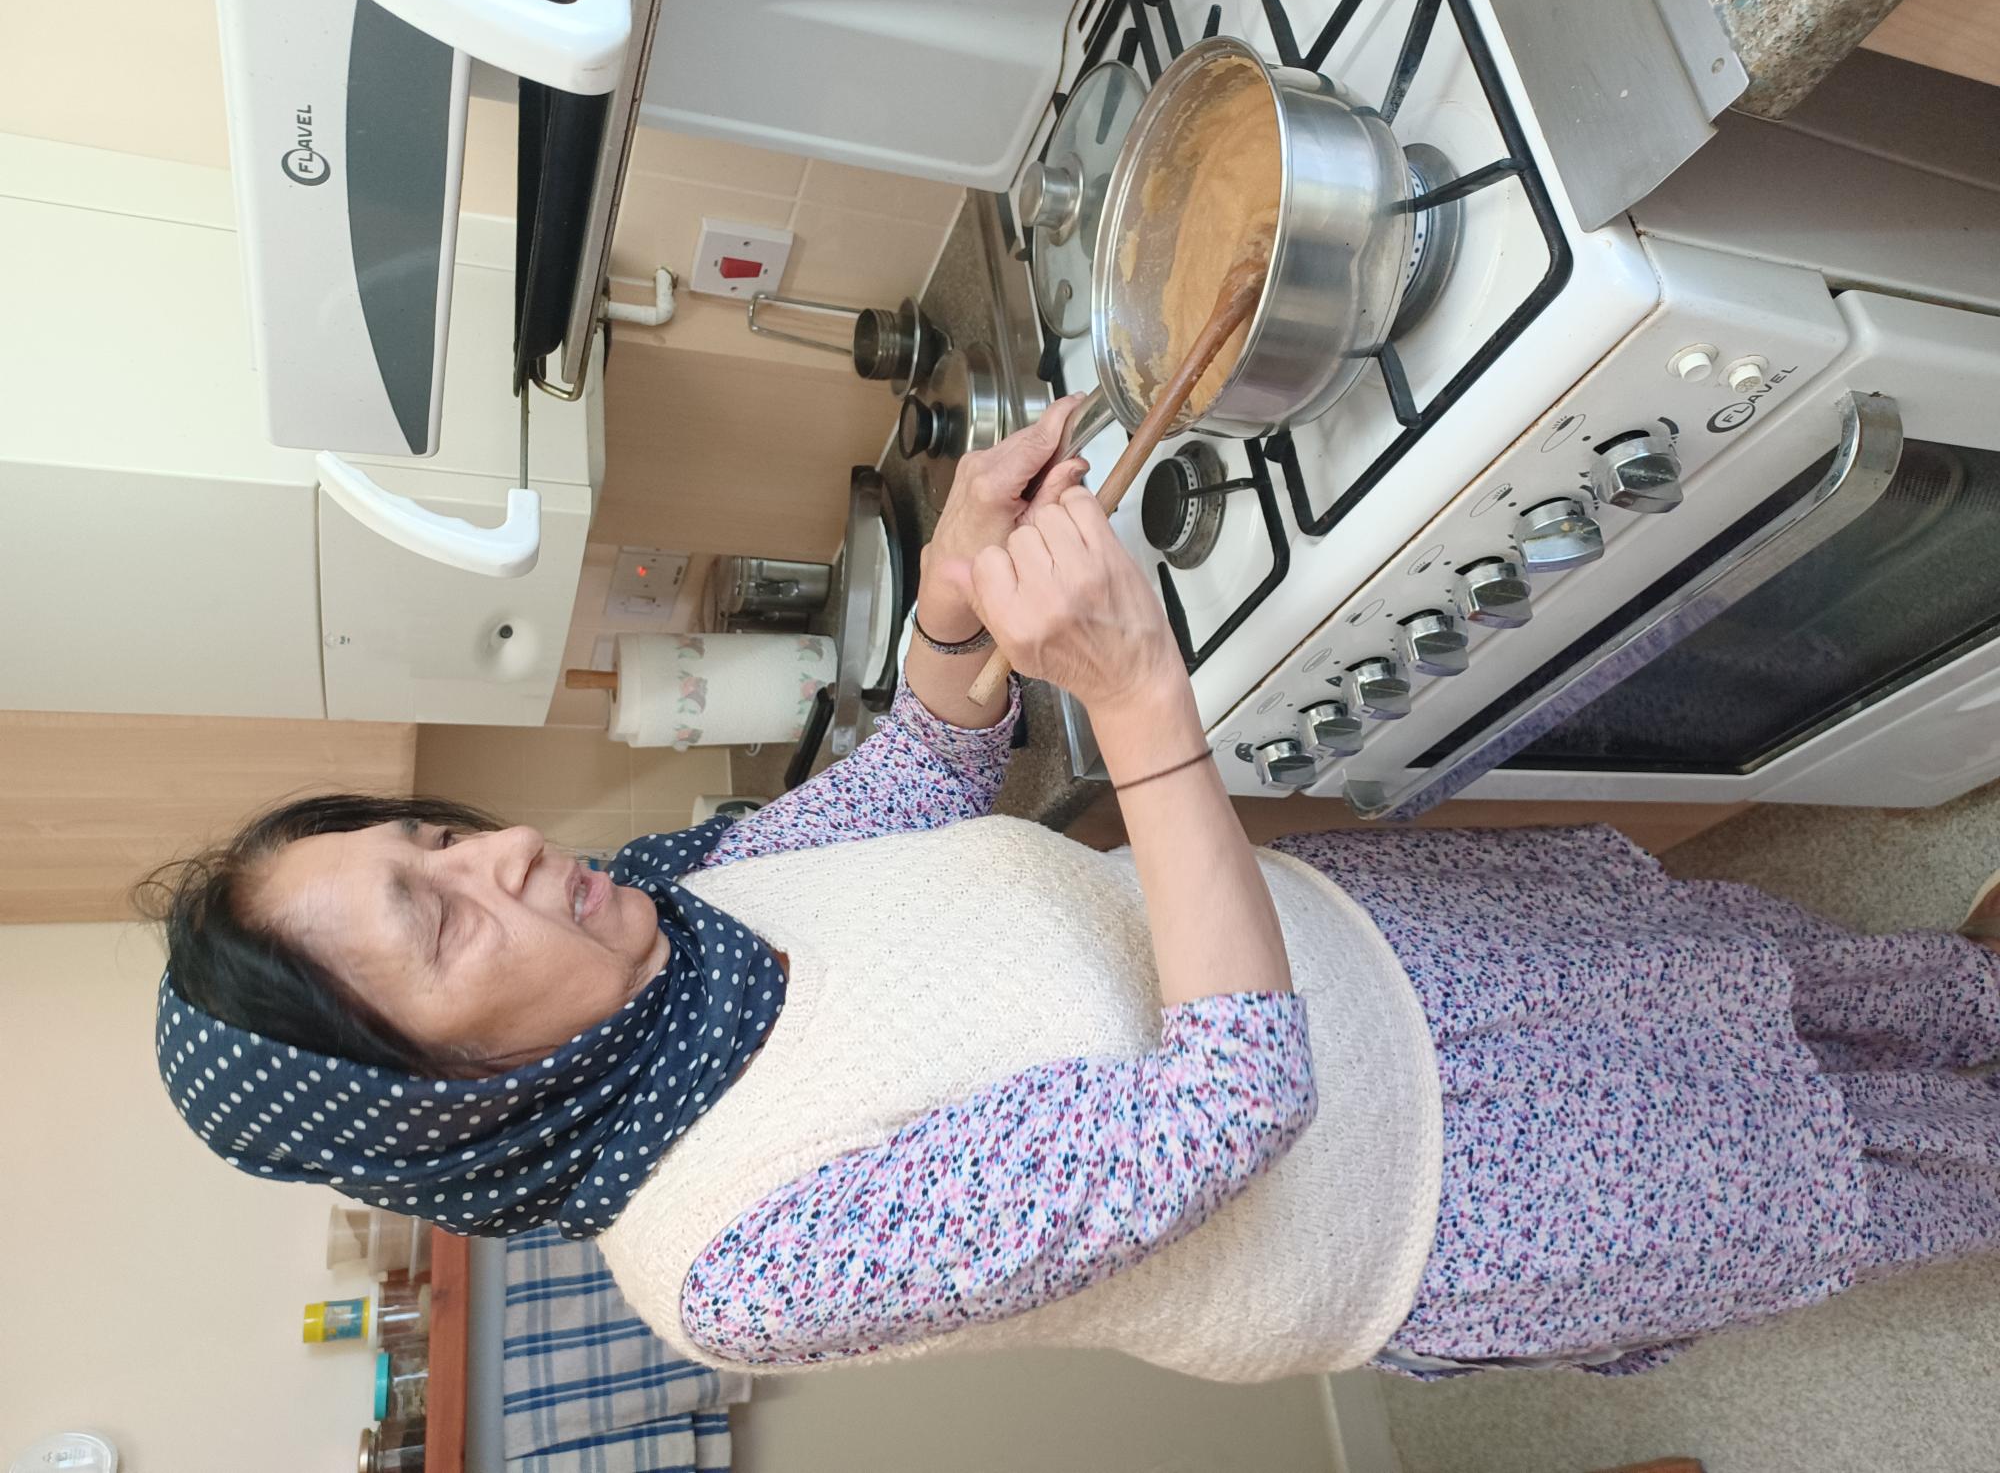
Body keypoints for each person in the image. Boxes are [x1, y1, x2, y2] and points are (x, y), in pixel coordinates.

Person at [148, 398, 2000, 1381]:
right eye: (440, 918)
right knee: (1874, 1149)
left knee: (1764, 969)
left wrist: (953, 604)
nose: (498, 854)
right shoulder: (735, 1264)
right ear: (447, 1095)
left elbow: (921, 784)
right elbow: (1228, 1105)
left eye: (431, 838)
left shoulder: (681, 914)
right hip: (1441, 1195)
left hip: (1387, 956)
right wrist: (1139, 705)